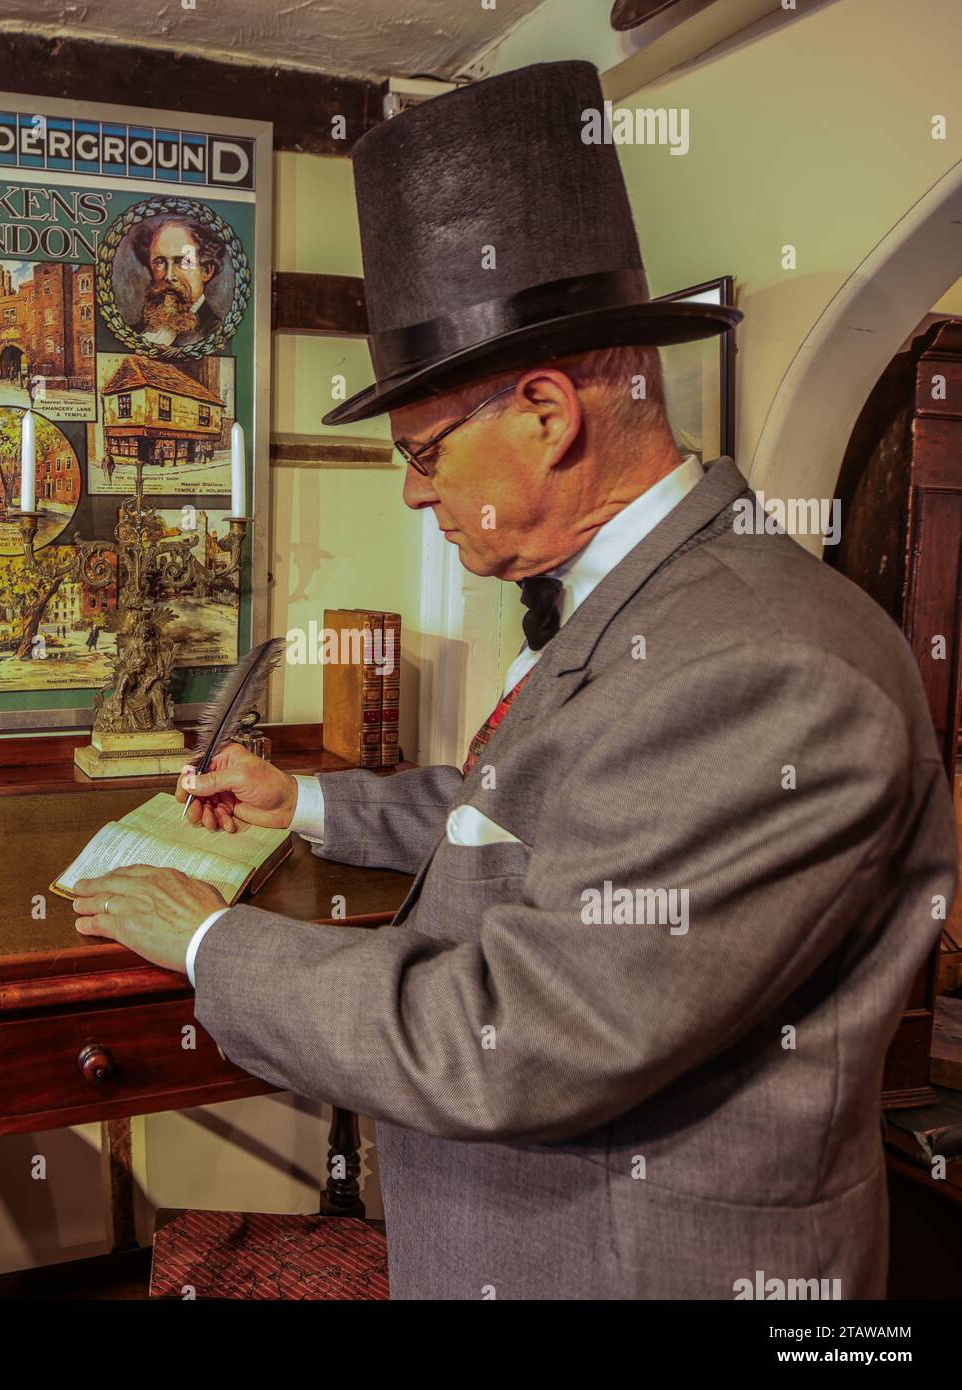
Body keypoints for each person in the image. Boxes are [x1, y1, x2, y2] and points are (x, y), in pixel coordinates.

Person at [68, 62, 957, 1299]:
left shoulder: (767, 668)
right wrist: (307, 806)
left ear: (545, 411)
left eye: (425, 452)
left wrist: (212, 940)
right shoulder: (651, 601)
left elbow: (511, 1037)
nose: (415, 492)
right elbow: (547, 816)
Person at [130, 215, 223, 347]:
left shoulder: (215, 333)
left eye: (182, 262)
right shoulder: (135, 332)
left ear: (206, 271)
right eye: (160, 262)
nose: (168, 276)